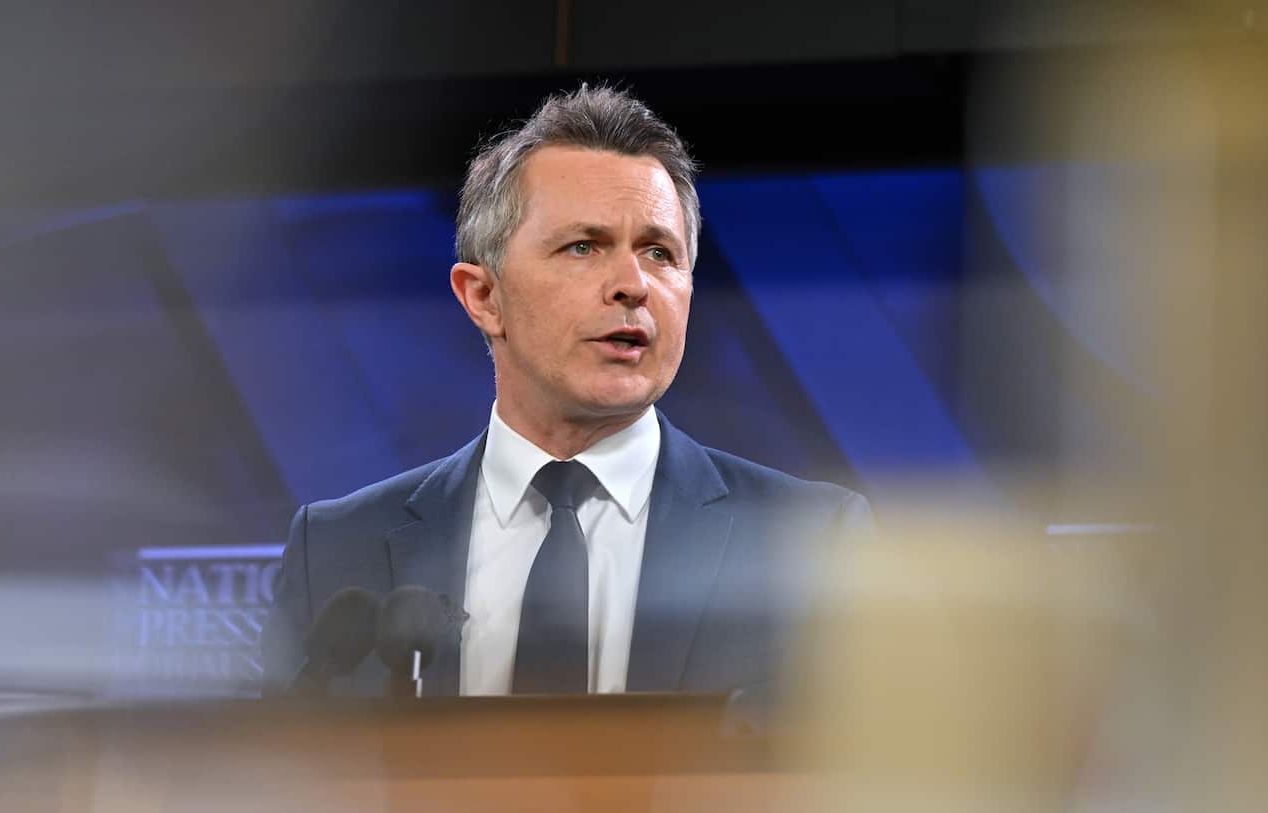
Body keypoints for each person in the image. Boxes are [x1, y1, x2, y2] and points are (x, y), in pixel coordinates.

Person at [261, 84, 872, 698]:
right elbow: (284, 758)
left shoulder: (814, 544)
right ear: (484, 297)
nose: (633, 284)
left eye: (659, 252)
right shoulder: (336, 550)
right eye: (584, 247)